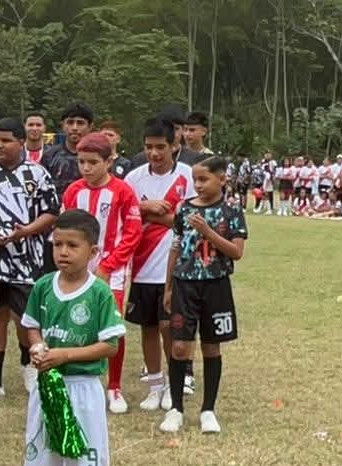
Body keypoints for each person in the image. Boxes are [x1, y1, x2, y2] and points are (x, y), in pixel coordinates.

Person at [17, 207, 125, 466]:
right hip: (47, 388)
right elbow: (31, 326)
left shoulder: (99, 293)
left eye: (72, 245)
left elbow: (110, 345)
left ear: (93, 251)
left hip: (83, 390)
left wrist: (65, 355)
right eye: (57, 244)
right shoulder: (43, 287)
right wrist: (37, 345)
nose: (63, 252)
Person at [0, 119, 60, 404]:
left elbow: (51, 212)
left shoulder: (37, 173)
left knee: (26, 318)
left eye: (5, 140)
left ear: (21, 142)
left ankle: (29, 368)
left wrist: (25, 231)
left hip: (27, 259)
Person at [161, 154, 247, 435]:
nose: (197, 185)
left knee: (211, 346)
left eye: (203, 179)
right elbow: (175, 247)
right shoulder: (184, 208)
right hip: (184, 284)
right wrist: (168, 286)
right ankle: (175, 408)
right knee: (179, 346)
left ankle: (208, 410)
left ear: (221, 179)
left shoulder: (232, 210)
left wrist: (208, 232)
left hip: (215, 285)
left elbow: (236, 252)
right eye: (195, 179)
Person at [61, 132, 142, 413]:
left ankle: (114, 386)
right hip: (78, 267)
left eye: (92, 162)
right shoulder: (73, 191)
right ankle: (78, 376)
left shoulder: (123, 191)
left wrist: (108, 264)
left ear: (109, 162)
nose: (86, 168)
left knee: (111, 325)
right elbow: (63, 229)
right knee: (75, 320)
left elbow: (132, 233)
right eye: (81, 162)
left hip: (113, 269)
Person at [125, 119, 193, 411]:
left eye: (160, 147)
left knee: (170, 327)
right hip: (142, 266)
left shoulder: (187, 176)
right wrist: (144, 207)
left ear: (174, 146)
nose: (154, 153)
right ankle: (154, 385)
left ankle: (173, 384)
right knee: (148, 328)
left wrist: (153, 215)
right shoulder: (134, 178)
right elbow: (125, 213)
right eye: (148, 147)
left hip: (174, 267)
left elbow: (189, 219)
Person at [43, 103, 94, 194]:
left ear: (90, 127)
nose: (74, 128)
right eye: (70, 122)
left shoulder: (97, 157)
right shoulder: (49, 156)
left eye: (80, 123)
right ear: (63, 125)